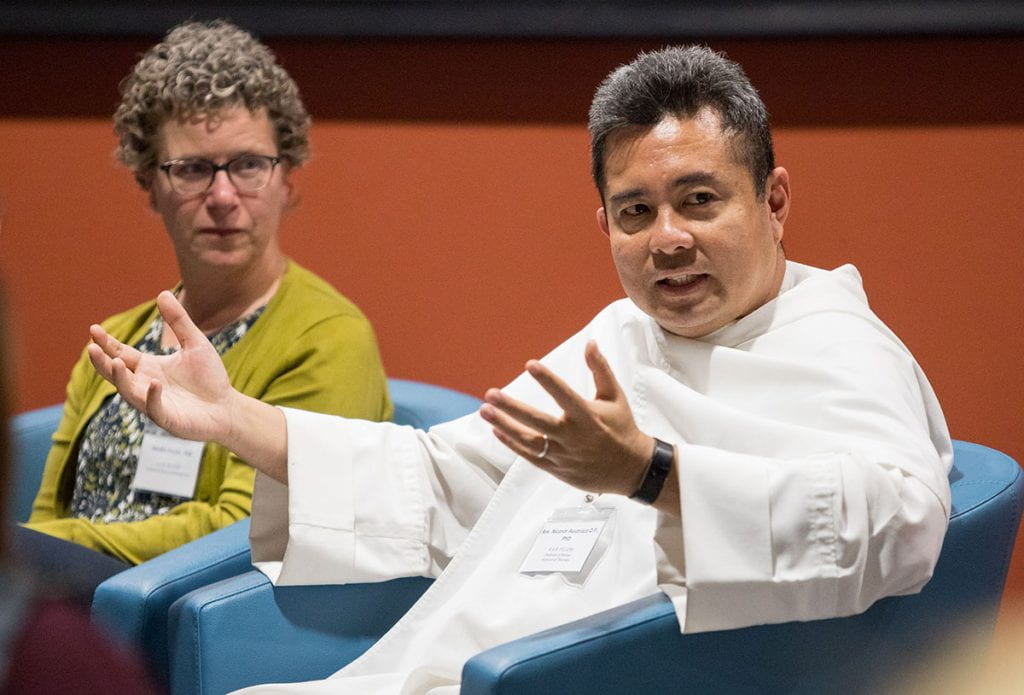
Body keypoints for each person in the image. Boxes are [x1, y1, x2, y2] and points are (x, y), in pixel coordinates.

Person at [88, 45, 952, 693]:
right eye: (633, 212)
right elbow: (448, 476)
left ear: (773, 200)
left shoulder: (838, 342)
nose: (667, 239)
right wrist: (234, 418)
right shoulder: (626, 334)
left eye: (699, 200)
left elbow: (903, 526)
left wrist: (652, 474)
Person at [20, 20, 392, 572]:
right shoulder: (115, 339)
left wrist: (41, 554)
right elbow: (51, 511)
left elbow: (242, 532)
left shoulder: (329, 338)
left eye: (247, 165)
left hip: (206, 620)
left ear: (285, 179)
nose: (222, 196)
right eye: (192, 169)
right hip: (68, 604)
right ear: (150, 185)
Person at [0, 280, 159, 693]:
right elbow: (57, 482)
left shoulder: (316, 335)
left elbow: (231, 515)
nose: (219, 209)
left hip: (154, 560)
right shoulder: (119, 332)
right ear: (158, 209)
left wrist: (70, 537)